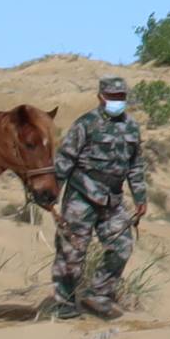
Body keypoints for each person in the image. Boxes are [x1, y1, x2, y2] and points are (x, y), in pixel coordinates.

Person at [51, 75, 148, 319]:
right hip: (81, 196)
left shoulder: (132, 128)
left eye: (121, 97)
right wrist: (52, 198)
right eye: (113, 97)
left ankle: (98, 295)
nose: (117, 101)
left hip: (112, 199)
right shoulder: (86, 124)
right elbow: (64, 160)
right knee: (72, 252)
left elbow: (135, 165)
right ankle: (65, 305)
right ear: (100, 97)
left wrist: (140, 197)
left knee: (121, 247)